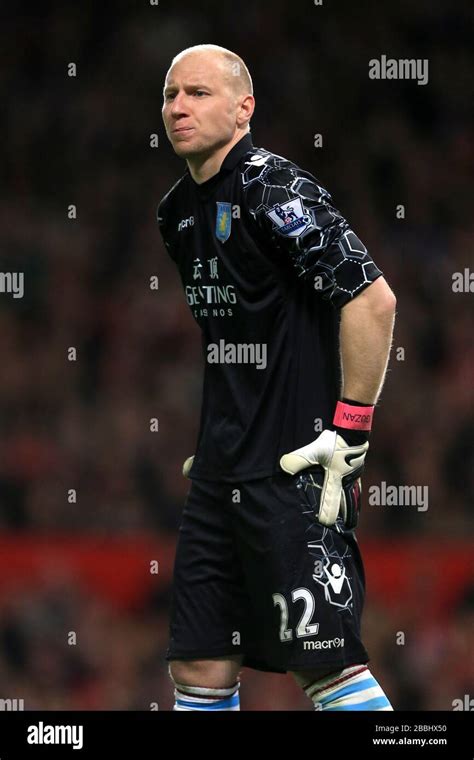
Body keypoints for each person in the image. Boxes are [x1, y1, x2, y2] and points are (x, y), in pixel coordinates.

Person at [157, 44, 396, 711]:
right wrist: (222, 437)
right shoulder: (175, 215)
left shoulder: (275, 188)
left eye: (199, 93)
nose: (179, 106)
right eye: (172, 94)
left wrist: (349, 428)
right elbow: (235, 337)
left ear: (244, 107)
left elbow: (372, 300)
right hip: (220, 476)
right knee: (199, 666)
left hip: (294, 475)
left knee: (328, 668)